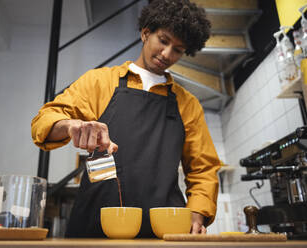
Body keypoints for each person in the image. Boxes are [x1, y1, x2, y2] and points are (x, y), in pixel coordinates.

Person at [31, 0, 220, 238]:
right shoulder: (99, 82)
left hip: (163, 228)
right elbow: (43, 121)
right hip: (97, 221)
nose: (167, 54)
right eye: (163, 40)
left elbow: (203, 169)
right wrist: (71, 125)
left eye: (178, 49)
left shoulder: (188, 104)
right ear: (145, 33)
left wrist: (198, 212)